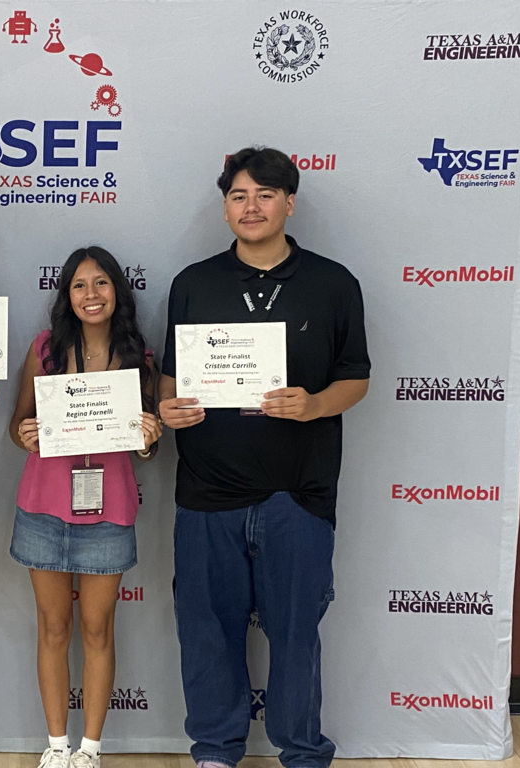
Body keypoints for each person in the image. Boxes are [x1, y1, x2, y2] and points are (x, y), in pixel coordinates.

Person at [158, 148, 370, 768]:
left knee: (297, 635)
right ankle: (215, 750)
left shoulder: (334, 283)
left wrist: (314, 405)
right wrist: (167, 409)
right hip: (205, 493)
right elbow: (171, 381)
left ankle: (302, 752)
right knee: (205, 633)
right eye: (239, 196)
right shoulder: (193, 283)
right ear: (225, 208)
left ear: (289, 203)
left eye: (265, 195)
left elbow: (356, 378)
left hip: (296, 494)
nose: (251, 207)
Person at [9, 246, 162, 768]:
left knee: (98, 630)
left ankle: (90, 750)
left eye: (100, 283)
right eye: (79, 285)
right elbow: (17, 424)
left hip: (109, 511)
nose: (90, 294)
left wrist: (147, 438)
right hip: (44, 508)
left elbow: (150, 444)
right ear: (65, 295)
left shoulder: (138, 355)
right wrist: (25, 434)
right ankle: (56, 747)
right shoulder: (45, 349)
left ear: (117, 290)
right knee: (53, 628)